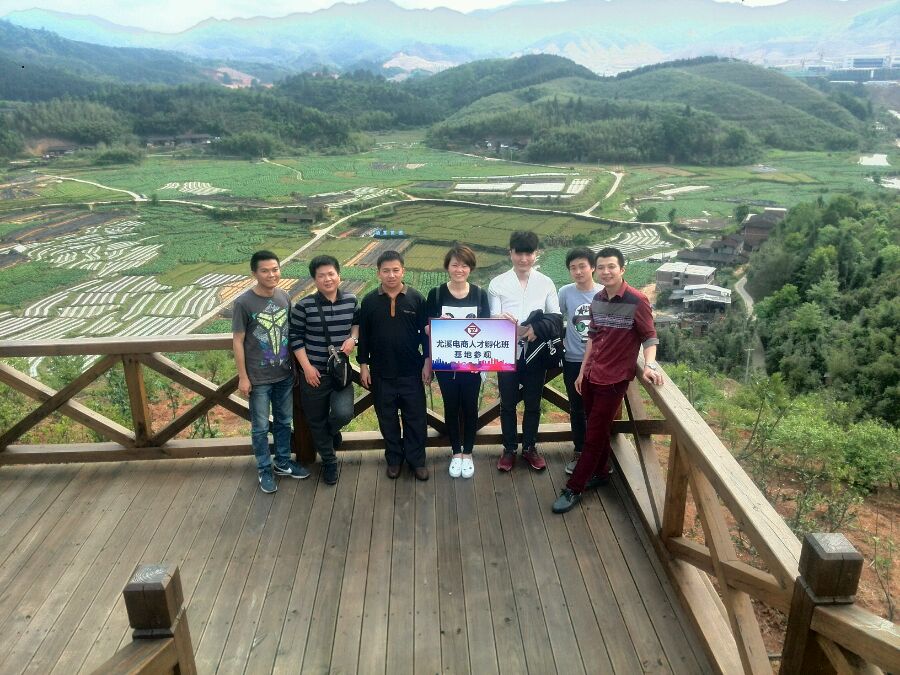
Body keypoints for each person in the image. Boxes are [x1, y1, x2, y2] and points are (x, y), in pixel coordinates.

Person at [553, 247, 663, 514]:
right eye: (601, 267)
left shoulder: (637, 300)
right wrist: (583, 372)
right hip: (592, 375)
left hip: (614, 380)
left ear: (622, 269)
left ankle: (574, 487)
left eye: (611, 266)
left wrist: (649, 365)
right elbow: (593, 337)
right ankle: (601, 471)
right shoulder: (598, 299)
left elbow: (649, 337)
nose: (605, 271)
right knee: (597, 428)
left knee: (593, 434)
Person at [232, 250, 309, 494]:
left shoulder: (284, 296)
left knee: (284, 422)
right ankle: (264, 469)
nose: (271, 274)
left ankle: (283, 463)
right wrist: (243, 377)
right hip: (258, 378)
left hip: (284, 374)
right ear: (254, 273)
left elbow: (292, 332)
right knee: (260, 427)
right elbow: (237, 341)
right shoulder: (244, 303)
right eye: (265, 270)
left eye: (275, 269)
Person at [488, 231, 562, 472]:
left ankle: (529, 447)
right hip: (506, 352)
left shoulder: (546, 282)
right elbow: (492, 317)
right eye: (518, 253)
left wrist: (536, 329)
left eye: (528, 253)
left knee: (533, 404)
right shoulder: (497, 283)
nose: (523, 258)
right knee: (507, 404)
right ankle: (509, 449)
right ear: (510, 253)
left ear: (536, 254)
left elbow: (556, 317)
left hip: (536, 352)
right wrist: (499, 318)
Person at [357, 250, 431, 481]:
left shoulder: (416, 298)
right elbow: (364, 336)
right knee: (387, 419)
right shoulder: (369, 301)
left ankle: (417, 460)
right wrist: (363, 364)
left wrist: (427, 361)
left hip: (411, 370)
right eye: (386, 271)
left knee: (415, 418)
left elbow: (426, 335)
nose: (391, 275)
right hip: (381, 372)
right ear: (378, 273)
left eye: (395, 270)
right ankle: (394, 460)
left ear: (403, 271)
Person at [289, 254, 359, 486]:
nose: (327, 279)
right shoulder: (304, 306)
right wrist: (307, 368)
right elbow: (295, 338)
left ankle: (330, 433)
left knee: (343, 413)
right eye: (321, 275)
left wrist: (353, 339)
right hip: (314, 375)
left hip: (341, 374)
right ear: (314, 279)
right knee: (316, 420)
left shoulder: (351, 300)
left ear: (339, 275)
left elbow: (357, 324)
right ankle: (329, 461)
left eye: (331, 274)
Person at [425, 244, 491, 479]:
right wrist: (436, 325)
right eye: (455, 265)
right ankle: (455, 452)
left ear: (470, 268)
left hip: (473, 365)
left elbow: (486, 330)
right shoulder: (436, 294)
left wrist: (482, 364)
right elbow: (426, 329)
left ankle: (468, 453)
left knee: (471, 407)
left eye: (464, 265)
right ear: (447, 267)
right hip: (446, 365)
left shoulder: (480, 294)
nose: (459, 270)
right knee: (451, 407)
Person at [558, 247, 601, 475]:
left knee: (598, 410)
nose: (578, 271)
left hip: (599, 361)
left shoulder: (604, 292)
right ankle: (580, 451)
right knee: (576, 408)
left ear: (592, 267)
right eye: (573, 268)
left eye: (582, 266)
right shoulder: (565, 292)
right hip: (573, 359)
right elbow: (557, 318)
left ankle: (597, 455)